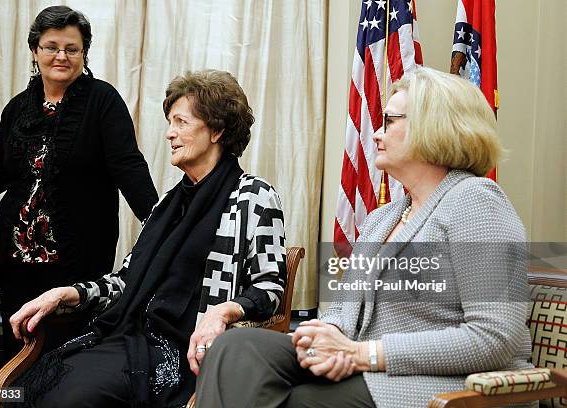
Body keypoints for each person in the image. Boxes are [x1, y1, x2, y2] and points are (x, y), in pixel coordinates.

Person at [195, 67, 533, 407]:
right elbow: (343, 311)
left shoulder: (475, 200)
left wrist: (363, 354)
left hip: (446, 384)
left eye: (390, 122)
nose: (376, 135)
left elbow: (495, 337)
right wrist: (323, 336)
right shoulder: (380, 219)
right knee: (234, 348)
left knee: (300, 400)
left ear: (435, 127)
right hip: (363, 367)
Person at [8, 69, 287, 407]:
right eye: (170, 122)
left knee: (70, 397)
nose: (170, 134)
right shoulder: (168, 205)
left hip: (182, 351)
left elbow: (270, 287)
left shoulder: (254, 196)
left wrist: (223, 312)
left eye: (181, 122)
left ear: (216, 130)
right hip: (129, 336)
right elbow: (125, 282)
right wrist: (66, 293)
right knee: (28, 389)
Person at [0, 6, 158, 359]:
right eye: (51, 46)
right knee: (16, 359)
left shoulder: (103, 101)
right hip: (15, 259)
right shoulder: (18, 108)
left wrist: (161, 225)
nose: (61, 56)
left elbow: (129, 168)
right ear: (35, 51)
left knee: (67, 362)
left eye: (71, 48)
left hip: (75, 263)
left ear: (84, 54)